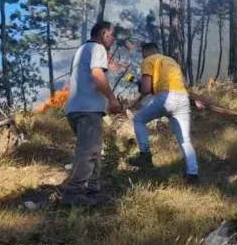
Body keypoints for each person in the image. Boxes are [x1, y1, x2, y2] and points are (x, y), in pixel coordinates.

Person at [61, 21, 122, 207]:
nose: (113, 40)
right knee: (88, 150)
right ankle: (74, 192)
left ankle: (93, 188)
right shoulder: (97, 48)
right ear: (103, 33)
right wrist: (112, 98)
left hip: (75, 108)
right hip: (87, 109)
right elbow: (97, 75)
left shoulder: (82, 50)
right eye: (112, 36)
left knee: (93, 149)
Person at [127, 42, 200, 184]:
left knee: (139, 120)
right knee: (185, 140)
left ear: (146, 52)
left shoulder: (148, 60)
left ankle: (145, 155)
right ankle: (193, 175)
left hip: (167, 98)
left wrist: (139, 85)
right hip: (183, 98)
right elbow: (170, 85)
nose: (142, 58)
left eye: (142, 55)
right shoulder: (171, 61)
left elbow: (146, 89)